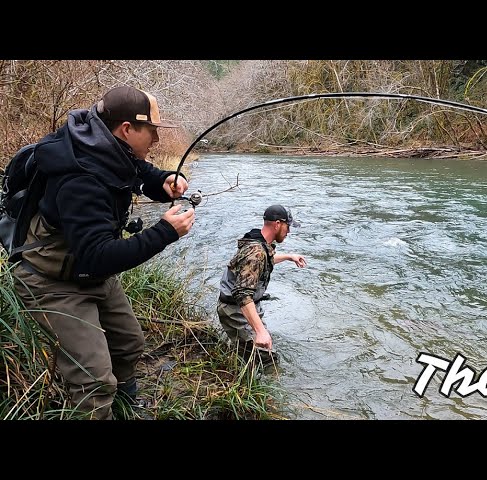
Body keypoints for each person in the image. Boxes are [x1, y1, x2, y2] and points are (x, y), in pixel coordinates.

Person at [12, 85, 196, 419]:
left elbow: (136, 171)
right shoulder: (80, 179)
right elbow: (96, 256)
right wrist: (165, 232)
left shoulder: (104, 143)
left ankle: (126, 407)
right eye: (152, 131)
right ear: (127, 129)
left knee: (129, 344)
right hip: (52, 282)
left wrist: (164, 180)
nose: (156, 139)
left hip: (89, 271)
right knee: (95, 382)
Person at [217, 204, 306, 366]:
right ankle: (246, 383)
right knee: (267, 360)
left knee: (248, 353)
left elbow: (266, 258)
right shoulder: (256, 252)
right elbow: (242, 294)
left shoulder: (259, 243)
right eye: (288, 226)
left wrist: (289, 257)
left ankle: (238, 357)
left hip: (238, 308)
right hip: (236, 311)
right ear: (278, 224)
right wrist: (260, 331)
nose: (289, 232)